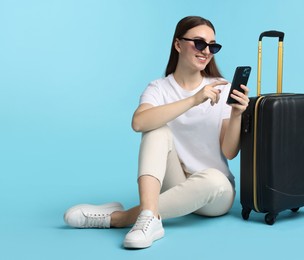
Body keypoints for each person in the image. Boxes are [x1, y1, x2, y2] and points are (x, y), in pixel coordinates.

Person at [63, 16, 250, 249]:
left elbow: (229, 152)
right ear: (178, 44)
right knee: (156, 127)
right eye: (199, 43)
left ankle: (121, 218)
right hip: (173, 184)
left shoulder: (220, 88)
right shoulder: (159, 88)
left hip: (215, 194)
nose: (206, 51)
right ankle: (150, 217)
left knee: (215, 180)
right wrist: (193, 100)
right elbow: (139, 122)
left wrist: (236, 114)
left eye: (212, 46)